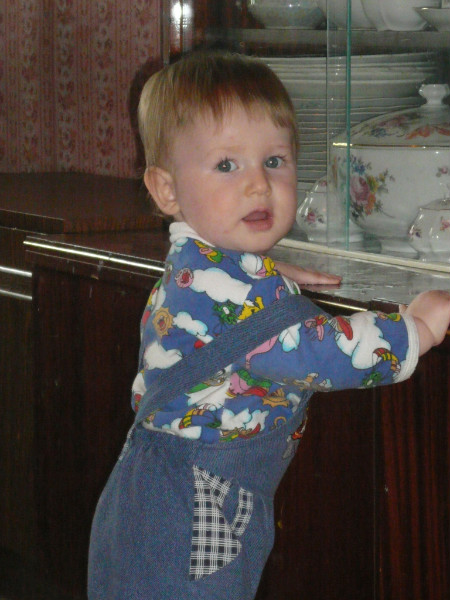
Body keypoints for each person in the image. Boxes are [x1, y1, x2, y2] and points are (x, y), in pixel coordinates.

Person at [88, 51, 450, 600]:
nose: (259, 184)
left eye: (275, 160)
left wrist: (263, 268)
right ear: (166, 190)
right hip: (192, 513)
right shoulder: (242, 299)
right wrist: (416, 328)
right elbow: (317, 352)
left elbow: (227, 304)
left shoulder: (200, 265)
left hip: (158, 496)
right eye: (227, 165)